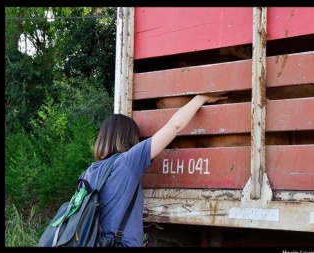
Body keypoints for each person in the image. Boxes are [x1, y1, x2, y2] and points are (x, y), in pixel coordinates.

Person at [81, 93, 228, 247]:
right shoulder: (127, 162)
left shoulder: (89, 172)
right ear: (129, 138)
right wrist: (201, 98)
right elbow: (175, 126)